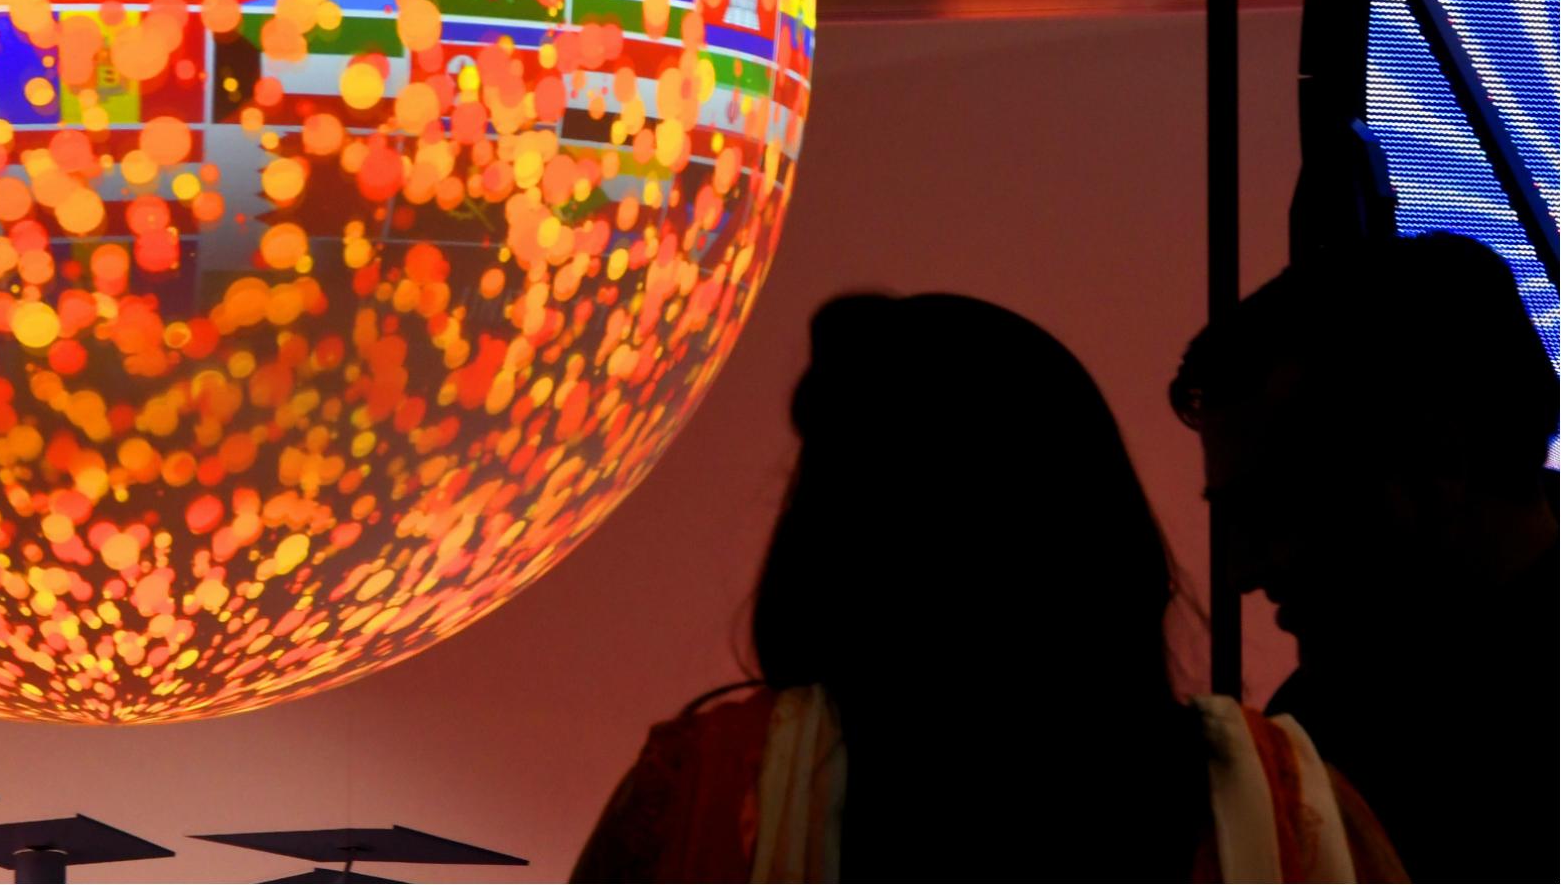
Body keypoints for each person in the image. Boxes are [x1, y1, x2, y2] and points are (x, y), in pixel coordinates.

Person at [574, 293, 1403, 883]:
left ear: (834, 550)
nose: (1249, 569)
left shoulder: (700, 801)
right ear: (1106, 540)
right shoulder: (1296, 808)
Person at [1173, 232, 1559, 884]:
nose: (1241, 572)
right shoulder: (1320, 729)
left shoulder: (1320, 746)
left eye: (1277, 505)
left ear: (1440, 463)